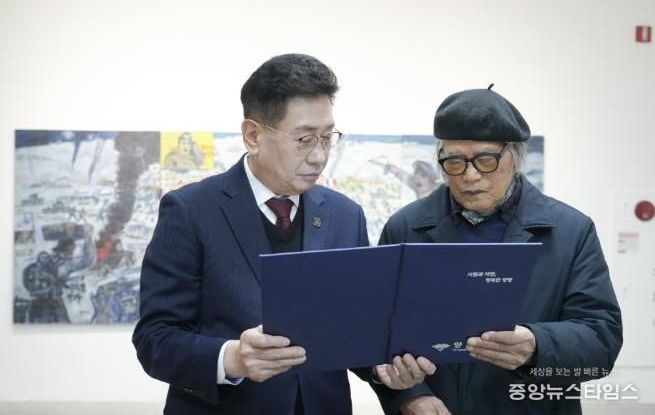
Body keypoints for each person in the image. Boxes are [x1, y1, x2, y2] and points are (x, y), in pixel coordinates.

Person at [132, 54, 436, 415]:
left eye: (327, 137)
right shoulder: (191, 210)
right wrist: (232, 359)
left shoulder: (344, 215)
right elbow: (155, 339)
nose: (319, 156)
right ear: (253, 135)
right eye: (304, 139)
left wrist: (385, 369)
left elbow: (354, 330)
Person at [372, 86, 622, 414]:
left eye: (486, 160)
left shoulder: (571, 231)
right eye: (454, 162)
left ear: (514, 155)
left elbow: (602, 340)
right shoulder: (405, 228)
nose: (470, 175)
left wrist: (537, 345)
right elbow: (374, 331)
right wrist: (411, 396)